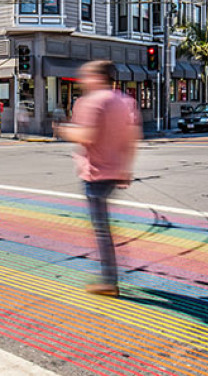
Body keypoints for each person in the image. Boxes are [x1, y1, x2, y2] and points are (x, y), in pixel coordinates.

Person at [54, 60, 140, 297]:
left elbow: (87, 135)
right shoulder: (125, 101)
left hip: (95, 172)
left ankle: (109, 280)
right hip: (115, 171)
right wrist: (126, 169)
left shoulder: (92, 102)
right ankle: (110, 275)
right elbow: (132, 138)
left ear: (98, 77)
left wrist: (63, 130)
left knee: (101, 229)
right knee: (104, 227)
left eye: (87, 75)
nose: (83, 80)